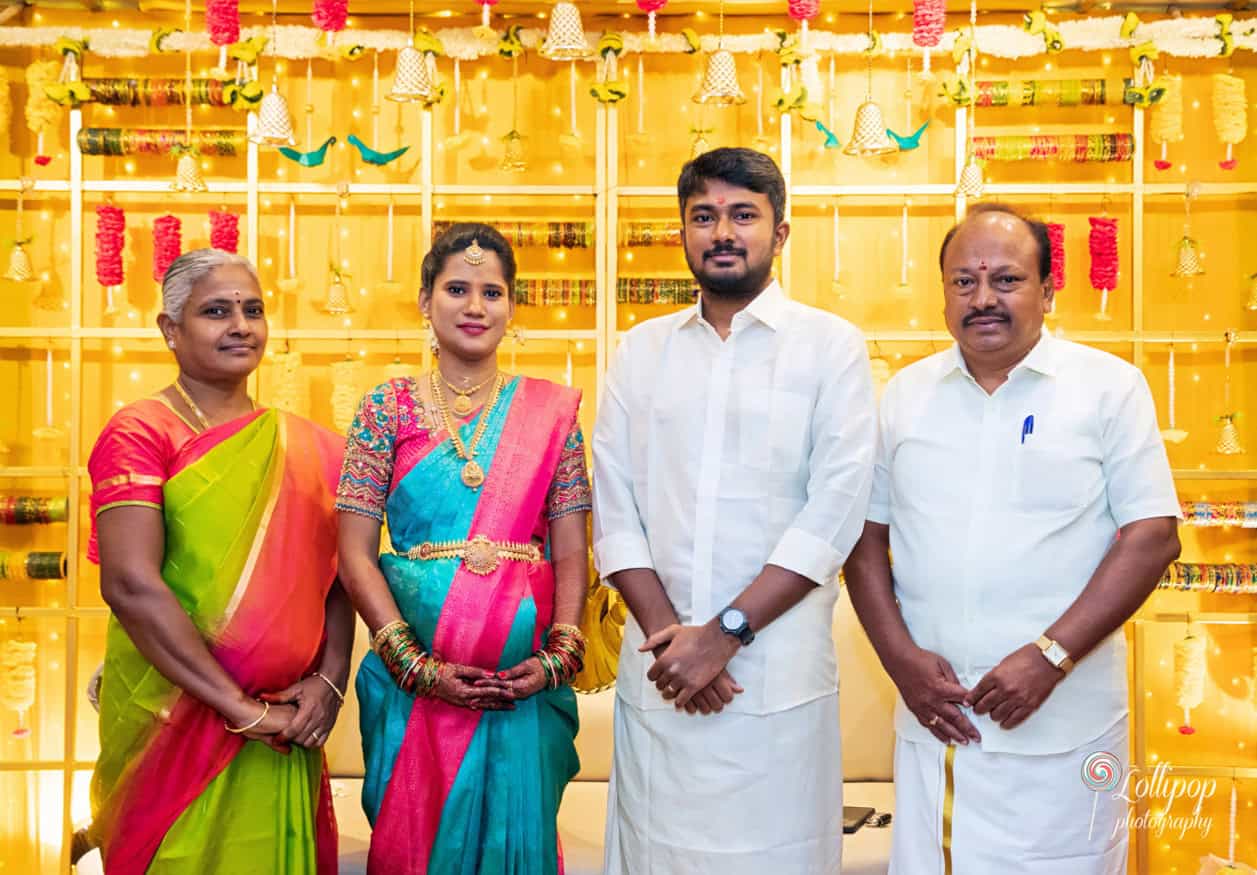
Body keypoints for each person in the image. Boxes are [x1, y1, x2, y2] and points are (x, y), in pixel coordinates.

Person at [844, 204, 1181, 874]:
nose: (983, 298)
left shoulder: (1108, 387)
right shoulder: (903, 396)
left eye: (1006, 279)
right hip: (937, 727)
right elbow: (862, 539)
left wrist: (1050, 655)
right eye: (962, 282)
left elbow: (1151, 536)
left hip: (1063, 726)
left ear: (1048, 290)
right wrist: (898, 659)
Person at [593, 147, 876, 874]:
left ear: (779, 233)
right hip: (660, 676)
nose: (723, 231)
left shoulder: (829, 347)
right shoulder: (639, 350)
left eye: (743, 215)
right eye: (703, 216)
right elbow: (614, 506)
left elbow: (833, 510)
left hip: (772, 677)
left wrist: (724, 633)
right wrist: (670, 639)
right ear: (682, 231)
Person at [86, 249, 353, 874]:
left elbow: (337, 578)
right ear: (170, 331)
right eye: (216, 311)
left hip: (287, 724)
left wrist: (329, 681)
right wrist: (240, 710)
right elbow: (129, 584)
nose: (241, 325)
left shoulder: (306, 446)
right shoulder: (140, 432)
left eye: (252, 310)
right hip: (173, 718)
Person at [336, 223, 591, 875]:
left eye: (492, 291)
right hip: (412, 688)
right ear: (424, 300)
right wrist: (413, 664)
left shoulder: (550, 414)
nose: (475, 306)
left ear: (512, 306)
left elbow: (570, 548)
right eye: (456, 288)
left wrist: (559, 655)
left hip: (521, 690)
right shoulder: (383, 408)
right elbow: (353, 552)